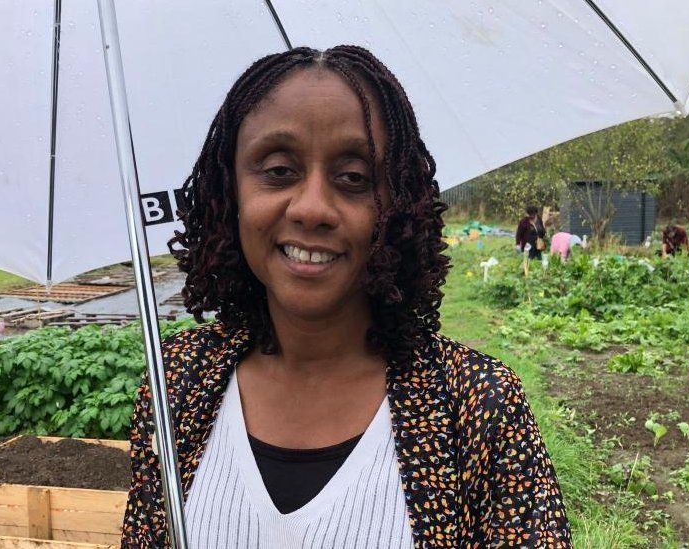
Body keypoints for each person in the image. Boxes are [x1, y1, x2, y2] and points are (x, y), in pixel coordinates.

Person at [121, 46, 570, 548]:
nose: (312, 208)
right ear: (229, 194)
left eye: (353, 178)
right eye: (277, 170)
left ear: (398, 205)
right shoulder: (178, 384)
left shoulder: (478, 406)